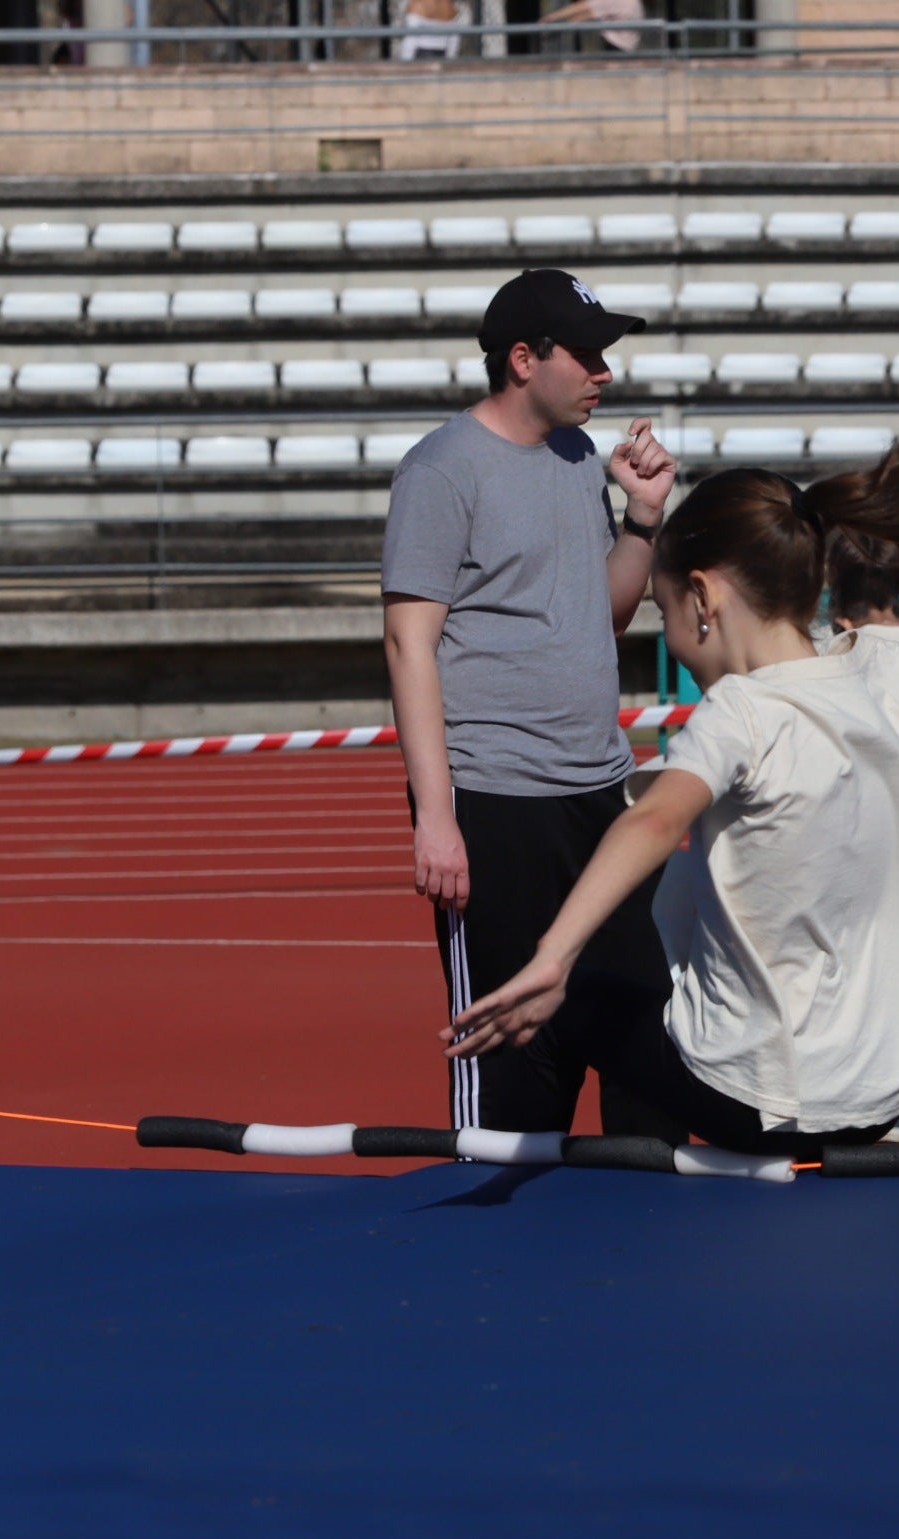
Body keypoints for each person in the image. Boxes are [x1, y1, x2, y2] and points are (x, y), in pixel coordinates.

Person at [446, 414, 899, 1156]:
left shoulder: (743, 708)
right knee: (659, 964)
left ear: (703, 597)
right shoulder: (894, 676)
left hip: (758, 1097)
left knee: (576, 995)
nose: (669, 635)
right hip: (885, 1090)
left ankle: (573, 1198)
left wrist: (551, 957)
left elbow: (653, 822)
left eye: (663, 612)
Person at [381, 268, 683, 1138]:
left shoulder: (577, 457)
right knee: (513, 1036)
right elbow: (409, 644)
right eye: (586, 354)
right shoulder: (441, 470)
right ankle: (501, 1237)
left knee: (640, 1013)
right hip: (494, 797)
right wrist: (437, 818)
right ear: (524, 358)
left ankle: (649, 1224)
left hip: (596, 788)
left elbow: (606, 614)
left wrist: (643, 520)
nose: (605, 372)